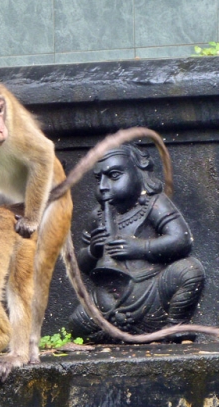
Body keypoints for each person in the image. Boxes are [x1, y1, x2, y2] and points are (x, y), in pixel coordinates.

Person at [67, 144, 205, 342]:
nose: (103, 186)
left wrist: (140, 247)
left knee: (190, 270)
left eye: (114, 175)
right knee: (76, 324)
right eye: (98, 179)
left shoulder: (153, 203)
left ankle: (175, 325)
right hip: (110, 297)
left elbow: (181, 239)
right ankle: (115, 332)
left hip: (152, 289)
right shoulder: (97, 215)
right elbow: (82, 265)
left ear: (138, 173)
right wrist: (92, 251)